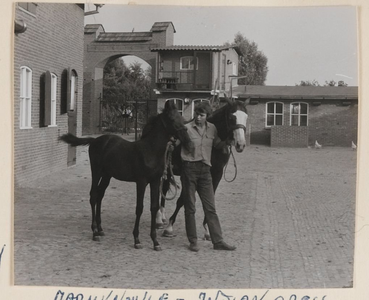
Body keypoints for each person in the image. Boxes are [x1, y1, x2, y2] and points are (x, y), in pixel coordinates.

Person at [180, 101, 236, 252]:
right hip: (189, 170)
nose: (198, 118)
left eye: (202, 115)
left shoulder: (212, 129)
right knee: (190, 207)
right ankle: (193, 241)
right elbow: (176, 143)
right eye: (197, 114)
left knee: (210, 207)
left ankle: (218, 241)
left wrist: (227, 143)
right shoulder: (186, 129)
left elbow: (217, 144)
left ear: (207, 116)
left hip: (205, 171)